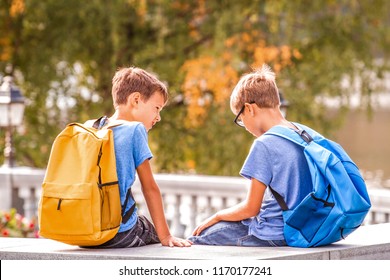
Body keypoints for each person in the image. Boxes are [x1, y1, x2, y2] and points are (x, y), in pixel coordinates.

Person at [188, 64, 313, 246]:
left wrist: (217, 216)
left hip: (273, 233)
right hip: (304, 228)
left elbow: (251, 208)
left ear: (249, 109)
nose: (244, 125)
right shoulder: (302, 133)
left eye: (240, 119)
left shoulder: (264, 144)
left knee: (198, 239)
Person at [87, 66, 192, 248]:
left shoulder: (91, 127)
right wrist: (166, 236)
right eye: (156, 108)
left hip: (86, 230)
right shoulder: (134, 130)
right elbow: (149, 187)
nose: (158, 117)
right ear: (136, 100)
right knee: (148, 227)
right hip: (116, 233)